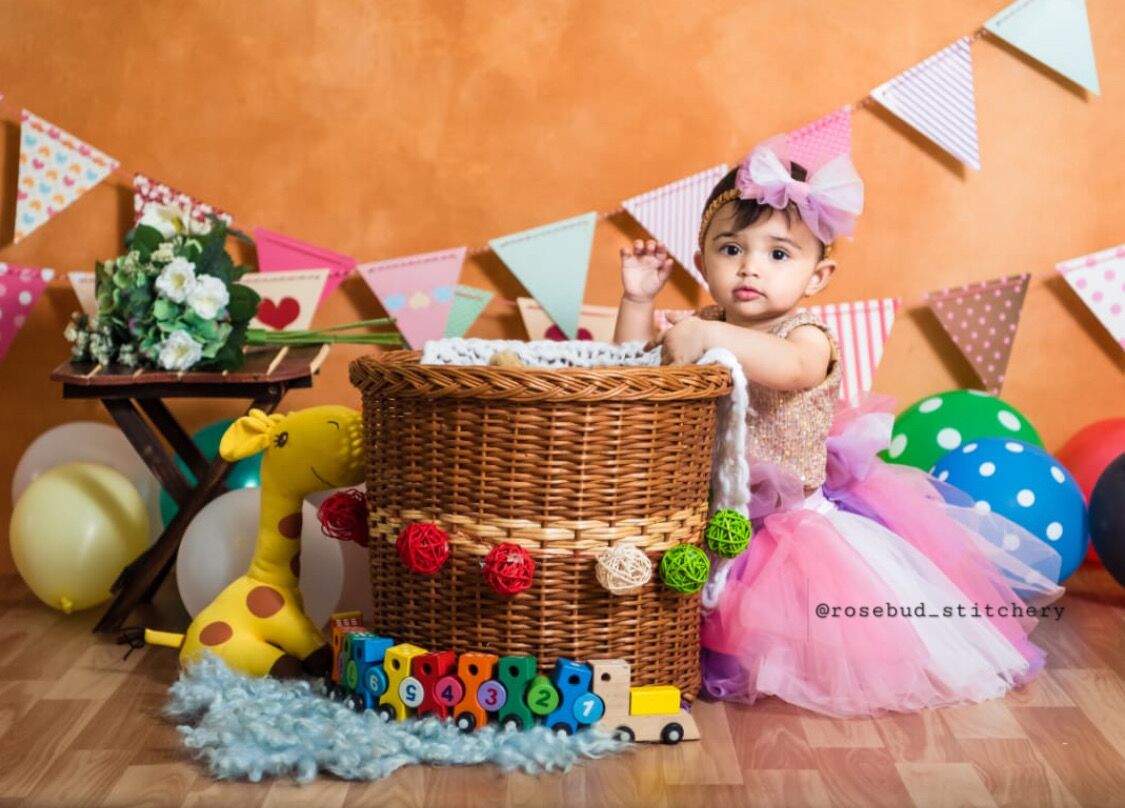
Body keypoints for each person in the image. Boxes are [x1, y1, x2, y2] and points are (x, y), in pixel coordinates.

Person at [613, 134, 1064, 717]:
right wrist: (638, 303)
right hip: (700, 512)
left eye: (779, 254)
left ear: (818, 275)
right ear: (701, 263)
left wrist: (711, 337)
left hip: (788, 528)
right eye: (731, 249)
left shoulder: (806, 337)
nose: (751, 266)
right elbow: (629, 378)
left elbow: (791, 370)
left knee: (776, 633)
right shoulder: (698, 324)